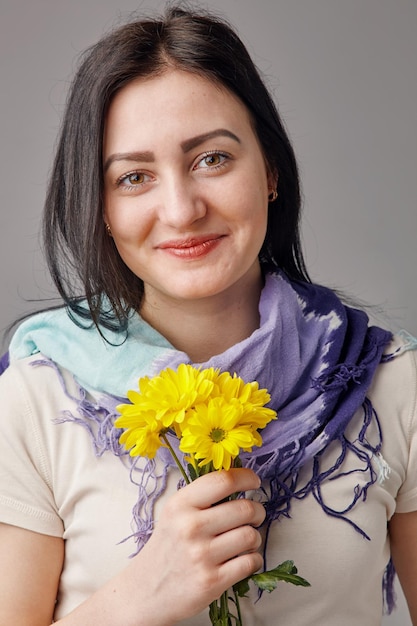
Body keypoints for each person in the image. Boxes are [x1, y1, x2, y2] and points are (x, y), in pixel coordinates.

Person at [0, 5, 416, 625]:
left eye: (212, 159)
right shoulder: (37, 399)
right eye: (134, 176)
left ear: (270, 170)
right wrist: (143, 595)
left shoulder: (388, 381)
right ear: (101, 207)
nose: (181, 209)